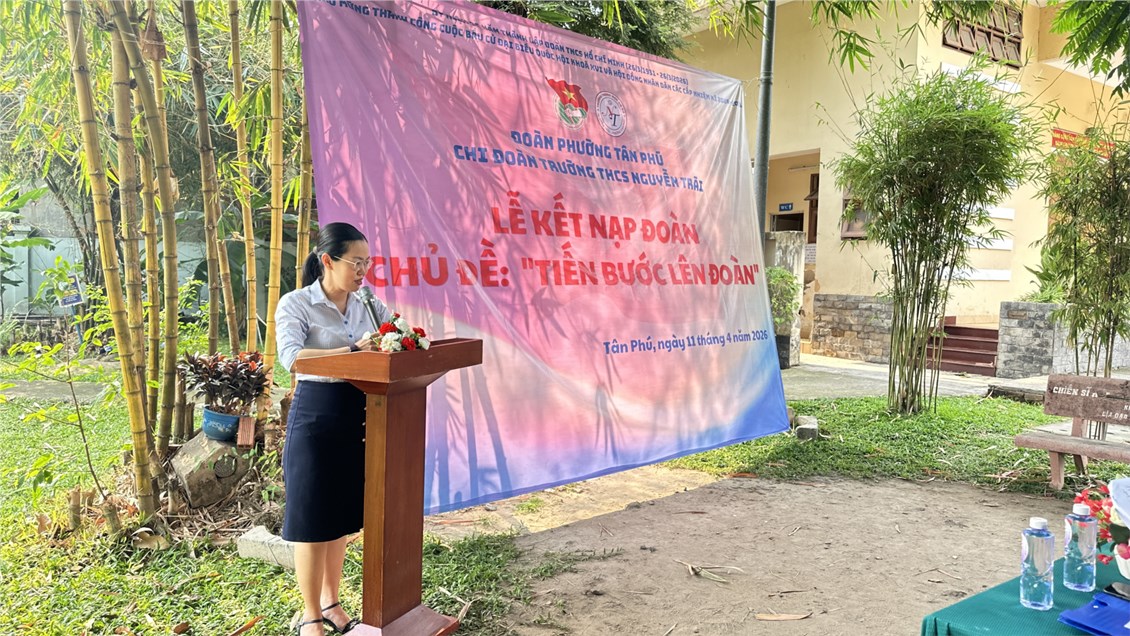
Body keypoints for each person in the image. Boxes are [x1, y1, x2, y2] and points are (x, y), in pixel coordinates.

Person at [275, 222, 392, 635]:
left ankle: (331, 602)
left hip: (357, 414)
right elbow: (292, 358)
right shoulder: (297, 303)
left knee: (339, 518)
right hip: (315, 415)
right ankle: (310, 615)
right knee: (312, 520)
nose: (363, 271)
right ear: (327, 260)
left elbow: (394, 338)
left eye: (367, 263)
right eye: (355, 262)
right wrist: (352, 350)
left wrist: (403, 340)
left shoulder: (368, 305)